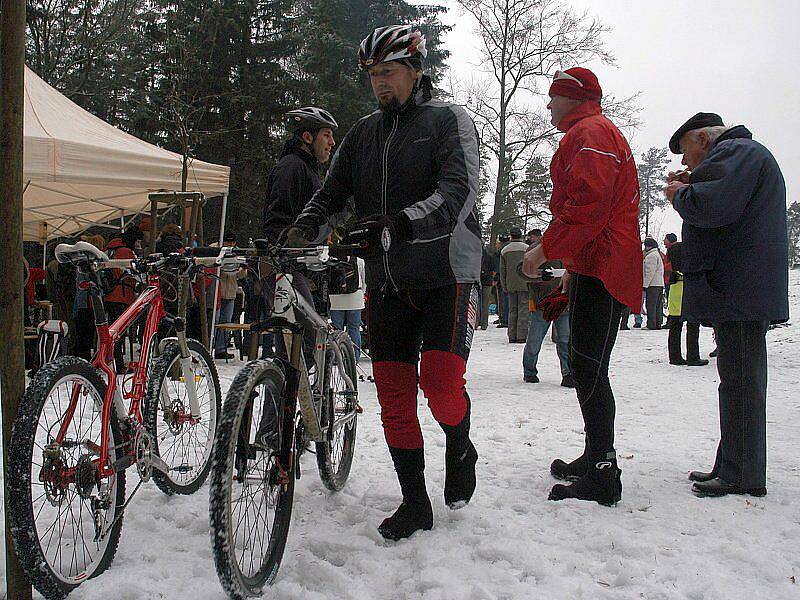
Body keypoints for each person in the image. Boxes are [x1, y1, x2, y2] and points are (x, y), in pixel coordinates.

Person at [285, 24, 482, 540]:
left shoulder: (448, 120)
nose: (379, 83)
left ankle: (459, 443)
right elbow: (332, 193)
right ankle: (415, 502)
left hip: (447, 276)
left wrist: (401, 224)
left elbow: (458, 192)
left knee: (440, 386)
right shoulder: (364, 134)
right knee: (393, 395)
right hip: (390, 283)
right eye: (373, 75)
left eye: (388, 72)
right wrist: (305, 225)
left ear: (416, 72)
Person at [523, 67, 641, 506]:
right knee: (587, 364)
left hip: (606, 264)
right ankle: (595, 456)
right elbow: (595, 207)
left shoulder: (591, 133)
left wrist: (543, 251)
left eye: (553, 96)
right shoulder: (592, 131)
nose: (548, 105)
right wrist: (571, 266)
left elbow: (589, 205)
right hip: (598, 263)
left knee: (589, 367)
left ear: (573, 97)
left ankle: (604, 472)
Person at [665, 112, 789, 497]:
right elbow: (723, 198)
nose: (684, 163)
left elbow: (713, 208)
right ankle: (732, 464)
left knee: (742, 384)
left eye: (686, 153)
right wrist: (695, 183)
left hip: (740, 289)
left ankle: (742, 474)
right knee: (735, 382)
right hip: (740, 288)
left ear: (702, 139)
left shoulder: (736, 152)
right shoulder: (742, 156)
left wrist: (679, 195)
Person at [262, 106, 338, 361]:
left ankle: (288, 398)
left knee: (295, 345)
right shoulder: (292, 167)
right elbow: (277, 219)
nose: (332, 142)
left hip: (295, 266)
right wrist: (287, 249)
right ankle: (280, 397)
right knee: (303, 341)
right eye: (326, 135)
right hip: (283, 265)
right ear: (308, 137)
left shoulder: (306, 169)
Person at [521, 253, 574, 387]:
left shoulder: (571, 249)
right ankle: (529, 372)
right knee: (534, 341)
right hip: (542, 305)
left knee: (565, 341)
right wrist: (539, 275)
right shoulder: (539, 248)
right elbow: (522, 271)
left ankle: (568, 374)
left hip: (564, 304)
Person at [665, 240, 708, 366]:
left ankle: (674, 356)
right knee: (692, 323)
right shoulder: (690, 263)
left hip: (675, 291)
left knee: (675, 325)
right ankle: (693, 356)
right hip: (688, 289)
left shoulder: (674, 268)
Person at [105, 225, 143, 369]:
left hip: (109, 295)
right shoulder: (125, 252)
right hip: (122, 295)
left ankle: (112, 361)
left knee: (111, 331)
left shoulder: (109, 251)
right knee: (119, 333)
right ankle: (119, 365)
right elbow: (134, 273)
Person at [214, 233, 244, 359]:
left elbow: (239, 275)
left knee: (226, 322)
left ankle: (221, 348)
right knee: (215, 321)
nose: (231, 245)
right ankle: (211, 346)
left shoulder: (236, 253)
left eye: (233, 242)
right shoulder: (216, 251)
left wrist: (242, 271)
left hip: (230, 292)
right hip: (217, 291)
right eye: (228, 242)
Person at [329, 256, 366, 361]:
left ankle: (337, 356)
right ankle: (354, 357)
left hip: (335, 299)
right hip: (355, 299)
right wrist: (361, 293)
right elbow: (364, 282)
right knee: (354, 328)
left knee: (336, 328)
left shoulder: (332, 260)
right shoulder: (359, 260)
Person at [499, 227, 530, 343]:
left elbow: (502, 270)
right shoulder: (527, 249)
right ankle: (521, 335)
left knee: (512, 310)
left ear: (510, 236)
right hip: (525, 283)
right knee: (523, 310)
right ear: (521, 235)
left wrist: (504, 285)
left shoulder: (504, 250)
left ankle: (511, 335)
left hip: (510, 284)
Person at [642, 238, 664, 330]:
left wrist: (645, 285)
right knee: (658, 305)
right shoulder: (657, 254)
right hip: (659, 283)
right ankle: (658, 323)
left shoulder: (650, 256)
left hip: (652, 284)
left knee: (651, 305)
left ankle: (651, 324)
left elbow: (649, 272)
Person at [477, 243, 495, 330]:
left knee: (476, 303)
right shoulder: (489, 256)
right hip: (487, 282)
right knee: (485, 303)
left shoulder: (475, 255)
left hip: (477, 281)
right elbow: (493, 268)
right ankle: (484, 323)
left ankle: (476, 323)